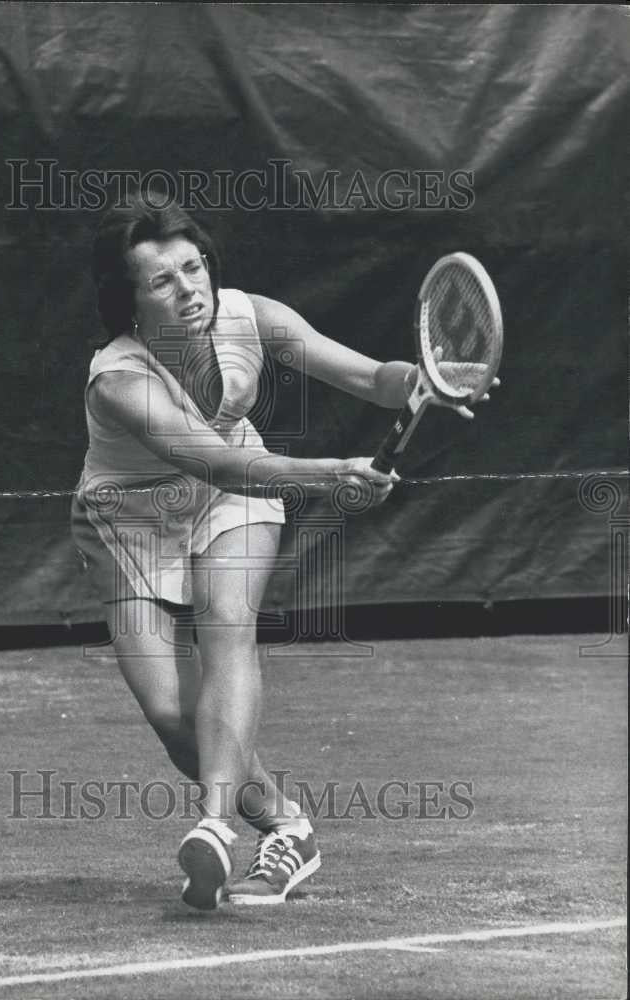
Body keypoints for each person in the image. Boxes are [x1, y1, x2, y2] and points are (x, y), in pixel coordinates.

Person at [72, 195, 479, 910]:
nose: (188, 289)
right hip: (130, 522)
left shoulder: (253, 317)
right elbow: (213, 463)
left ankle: (216, 825)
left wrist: (422, 381)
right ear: (128, 300)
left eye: (194, 268)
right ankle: (287, 827)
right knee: (172, 714)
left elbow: (368, 378)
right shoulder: (119, 377)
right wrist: (333, 473)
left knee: (227, 624)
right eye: (162, 282)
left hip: (235, 498)